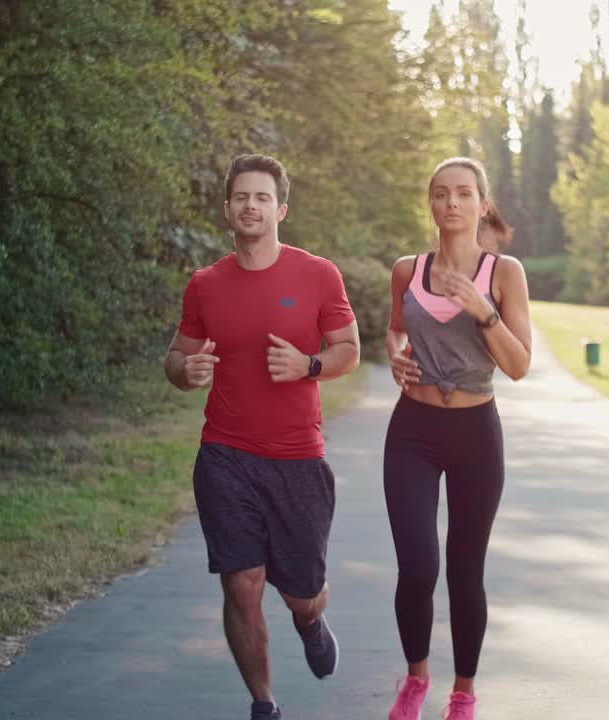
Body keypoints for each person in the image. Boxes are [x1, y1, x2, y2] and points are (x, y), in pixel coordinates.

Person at [163, 154, 361, 720]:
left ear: (281, 209)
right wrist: (186, 372)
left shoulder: (318, 275)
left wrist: (310, 366)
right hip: (226, 455)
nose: (251, 205)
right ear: (227, 208)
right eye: (241, 197)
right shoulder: (205, 286)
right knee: (242, 584)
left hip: (298, 459)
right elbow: (176, 358)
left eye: (262, 197)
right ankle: (264, 705)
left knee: (301, 592)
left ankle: (309, 619)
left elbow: (349, 349)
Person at [383, 157, 532, 720]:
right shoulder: (407, 270)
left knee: (466, 570)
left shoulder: (503, 272)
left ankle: (463, 693)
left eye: (463, 193)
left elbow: (518, 366)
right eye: (441, 194)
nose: (451, 203)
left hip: (475, 432)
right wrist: (396, 358)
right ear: (431, 204)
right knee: (418, 568)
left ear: (481, 204)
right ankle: (416, 680)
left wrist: (483, 311)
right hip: (413, 432)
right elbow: (395, 331)